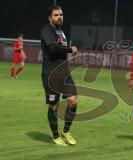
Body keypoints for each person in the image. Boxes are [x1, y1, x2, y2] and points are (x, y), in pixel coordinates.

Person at [41, 5, 78, 146]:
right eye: (56, 15)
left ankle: (66, 131)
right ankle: (56, 136)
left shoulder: (61, 32)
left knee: (73, 101)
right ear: (50, 18)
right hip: (51, 74)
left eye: (61, 14)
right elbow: (52, 48)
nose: (59, 17)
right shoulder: (46, 30)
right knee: (53, 106)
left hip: (64, 72)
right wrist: (70, 49)